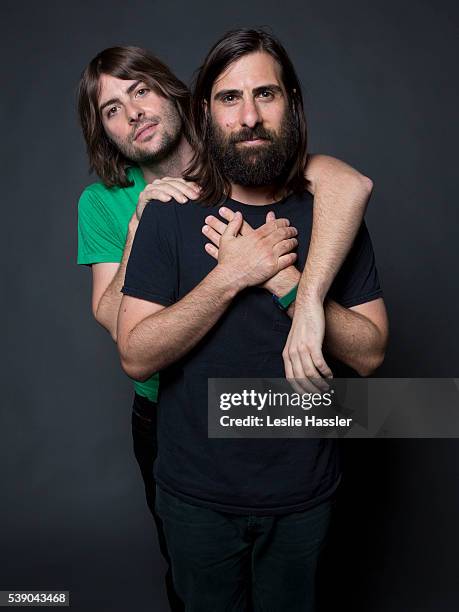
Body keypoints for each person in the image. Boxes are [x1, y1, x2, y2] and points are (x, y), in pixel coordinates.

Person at [117, 28, 389, 611]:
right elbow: (136, 354)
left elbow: (370, 354)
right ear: (205, 113)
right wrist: (231, 275)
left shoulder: (332, 218)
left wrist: (290, 283)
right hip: (195, 499)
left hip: (305, 498)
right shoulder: (170, 215)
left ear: (290, 102)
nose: (249, 117)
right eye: (229, 98)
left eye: (265, 95)